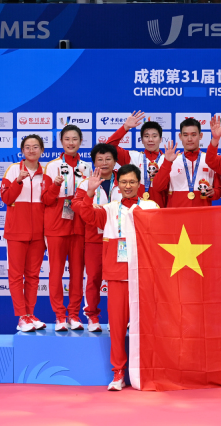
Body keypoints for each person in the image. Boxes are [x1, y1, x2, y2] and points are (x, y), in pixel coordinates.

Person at [77, 164, 158, 391]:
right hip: (117, 276)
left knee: (146, 327)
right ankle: (119, 372)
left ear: (139, 184)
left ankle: (147, 370)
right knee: (118, 327)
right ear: (118, 185)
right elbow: (87, 215)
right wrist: (89, 192)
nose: (128, 186)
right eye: (123, 182)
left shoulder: (150, 206)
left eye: (132, 182)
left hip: (144, 276)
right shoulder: (109, 209)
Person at [42, 125, 91, 331]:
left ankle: (74, 315)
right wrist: (55, 186)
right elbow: (46, 199)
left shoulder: (86, 167)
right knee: (56, 272)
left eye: (75, 139)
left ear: (80, 141)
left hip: (79, 225)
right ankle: (60, 316)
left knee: (78, 273)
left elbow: (91, 197)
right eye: (67, 139)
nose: (71, 143)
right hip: (56, 225)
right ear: (61, 141)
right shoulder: (52, 166)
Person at [71, 143, 121, 333]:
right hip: (94, 238)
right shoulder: (86, 182)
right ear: (94, 162)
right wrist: (90, 202)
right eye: (100, 159)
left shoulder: (124, 180)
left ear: (115, 161)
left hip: (119, 239)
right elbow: (75, 205)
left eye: (108, 159)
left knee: (120, 280)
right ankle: (92, 316)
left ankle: (120, 317)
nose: (104, 163)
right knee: (93, 279)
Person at [0, 135, 48, 333]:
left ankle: (30, 314)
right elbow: (6, 198)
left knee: (33, 276)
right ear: (22, 151)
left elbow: (50, 201)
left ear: (42, 150)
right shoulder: (13, 169)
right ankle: (21, 316)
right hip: (16, 232)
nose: (31, 150)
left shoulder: (47, 172)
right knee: (16, 275)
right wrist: (18, 181)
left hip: (39, 234)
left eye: (35, 147)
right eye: (27, 147)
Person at [151, 117, 221, 207]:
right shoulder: (170, 160)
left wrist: (213, 193)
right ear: (180, 136)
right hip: (176, 214)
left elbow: (219, 190)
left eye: (193, 135)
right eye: (185, 135)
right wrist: (167, 163)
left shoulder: (209, 160)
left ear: (200, 136)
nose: (189, 139)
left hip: (202, 214)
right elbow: (157, 187)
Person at [105, 111, 168, 208]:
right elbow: (109, 147)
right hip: (135, 211)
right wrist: (125, 127)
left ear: (160, 139)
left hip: (160, 210)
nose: (150, 139)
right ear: (141, 140)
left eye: (154, 136)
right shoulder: (133, 157)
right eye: (146, 136)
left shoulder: (168, 160)